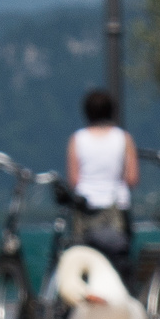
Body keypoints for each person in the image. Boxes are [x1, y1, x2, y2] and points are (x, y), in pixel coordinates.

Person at [66, 89, 139, 280]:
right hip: (117, 212)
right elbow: (132, 178)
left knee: (85, 267)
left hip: (85, 212)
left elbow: (74, 180)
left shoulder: (78, 139)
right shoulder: (123, 138)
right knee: (118, 268)